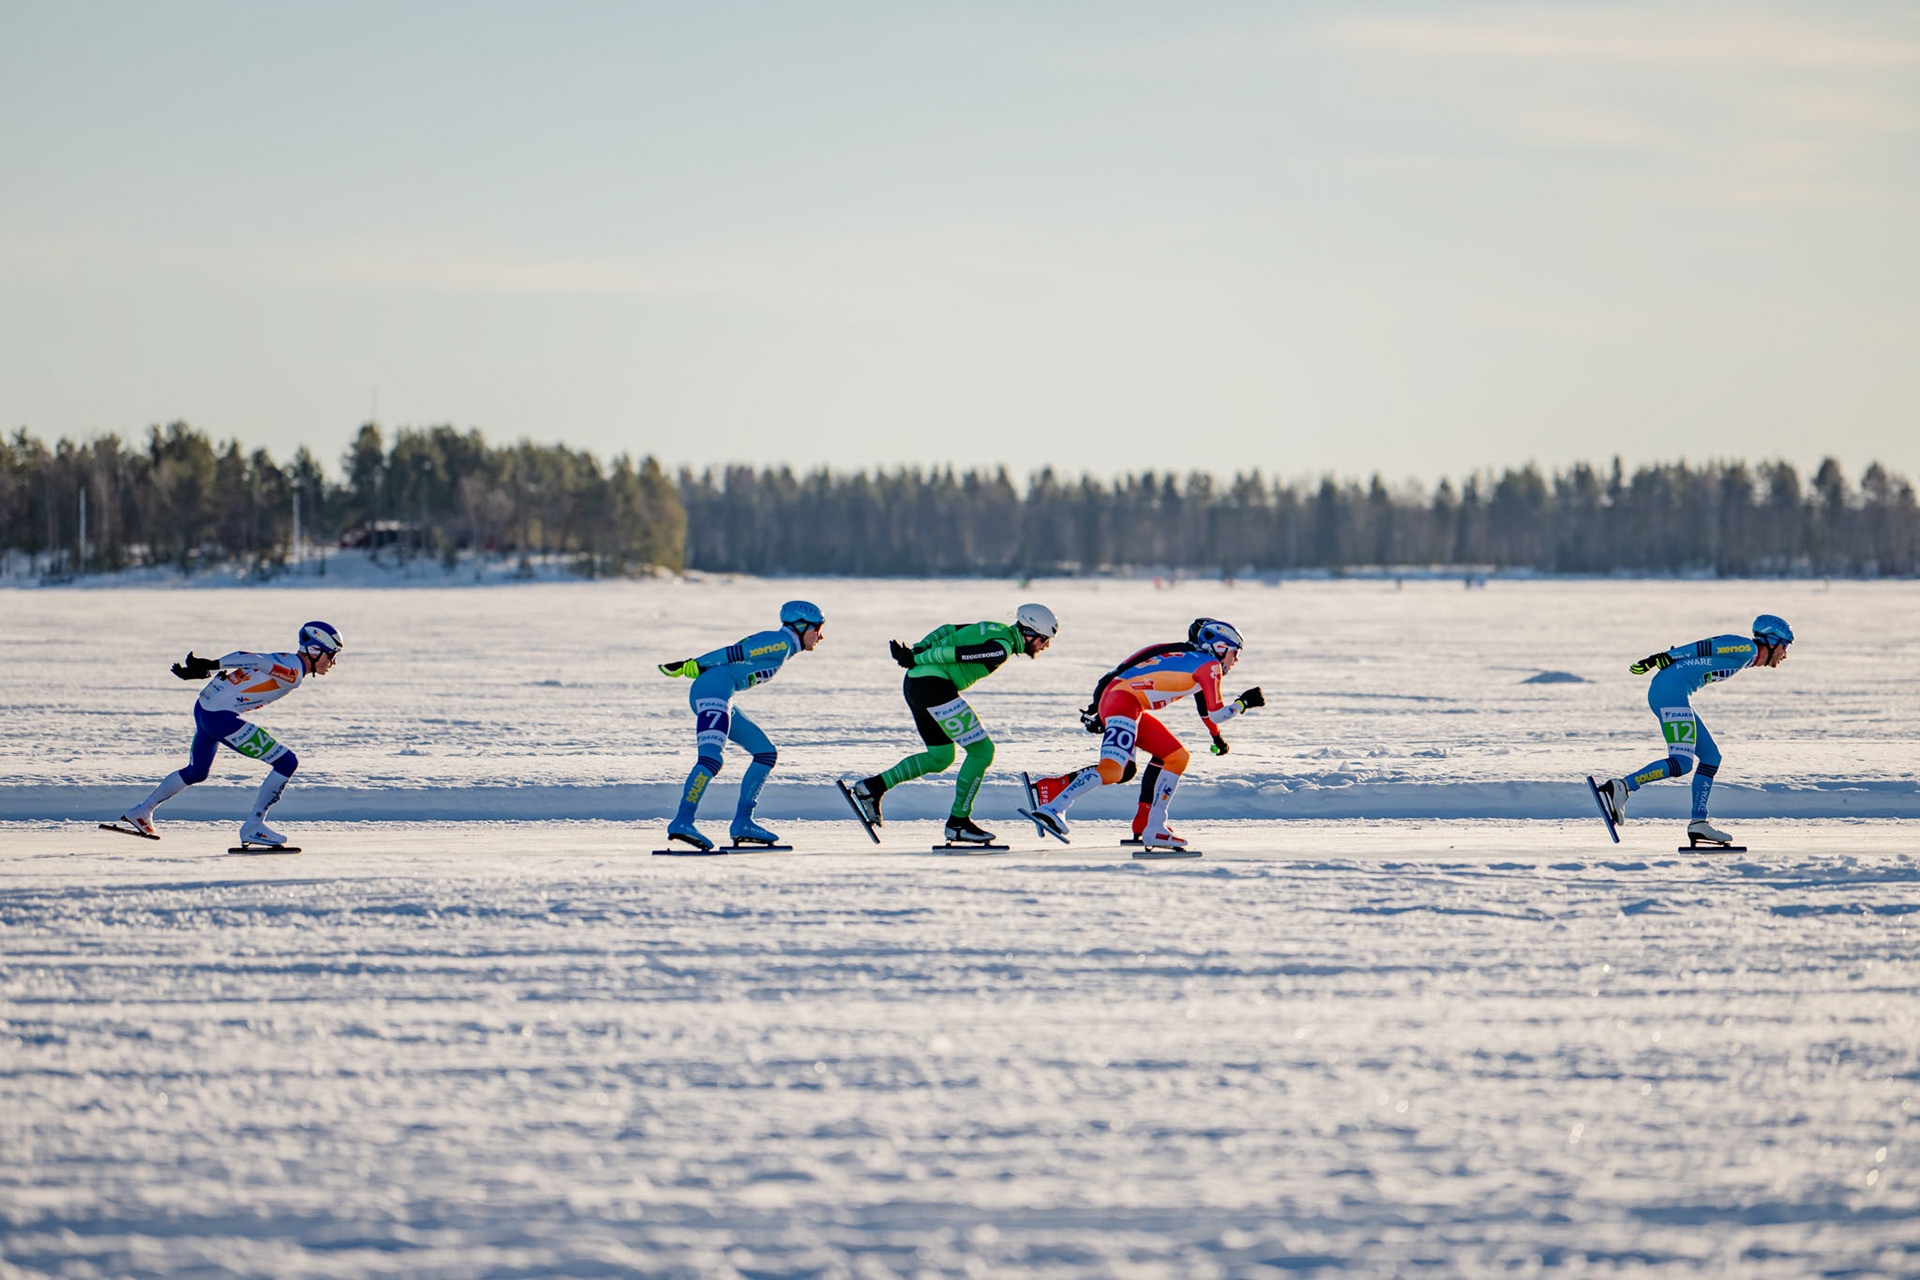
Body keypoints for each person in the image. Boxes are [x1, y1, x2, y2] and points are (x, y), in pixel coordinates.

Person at [1028, 619, 1262, 850]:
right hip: (1122, 701)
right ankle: (1054, 808)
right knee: (1113, 770)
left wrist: (1217, 737)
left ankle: (1155, 827)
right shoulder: (1209, 666)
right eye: (1235, 652)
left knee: (1176, 756)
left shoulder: (1198, 661)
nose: (1237, 660)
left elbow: (1207, 713)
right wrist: (1244, 703)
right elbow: (1217, 713)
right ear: (1220, 649)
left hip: (1127, 703)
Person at [842, 603, 1057, 846]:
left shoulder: (995, 628)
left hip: (916, 683)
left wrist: (918, 650)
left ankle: (872, 787)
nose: (1045, 646)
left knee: (940, 757)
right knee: (982, 752)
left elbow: (947, 629)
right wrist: (916, 656)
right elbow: (953, 654)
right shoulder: (1000, 649)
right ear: (1029, 633)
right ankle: (958, 823)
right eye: (1044, 639)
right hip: (934, 686)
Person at [114, 621, 344, 847]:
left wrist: (208, 669)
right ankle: (254, 826)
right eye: (331, 655)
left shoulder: (287, 659)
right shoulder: (293, 672)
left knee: (197, 772)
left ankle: (142, 811)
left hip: (204, 708)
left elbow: (248, 658)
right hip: (219, 718)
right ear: (314, 651)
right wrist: (211, 664)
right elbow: (253, 660)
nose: (333, 663)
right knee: (287, 762)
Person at [1591, 614, 1794, 847]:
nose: (1786, 654)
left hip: (1673, 692)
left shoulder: (1746, 656)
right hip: (1671, 692)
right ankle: (1621, 787)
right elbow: (1706, 645)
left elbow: (1707, 651)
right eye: (1785, 646)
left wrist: (1668, 658)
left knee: (1711, 757)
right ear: (1771, 641)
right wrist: (1665, 657)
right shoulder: (1747, 647)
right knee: (1682, 763)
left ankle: (1699, 823)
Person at [658, 600, 825, 850]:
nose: (821, 636)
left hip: (722, 694)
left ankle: (743, 822)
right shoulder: (779, 643)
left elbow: (736, 655)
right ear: (801, 626)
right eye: (818, 628)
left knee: (765, 754)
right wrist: (693, 664)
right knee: (711, 759)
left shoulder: (783, 646)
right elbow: (731, 653)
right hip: (712, 691)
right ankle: (682, 821)